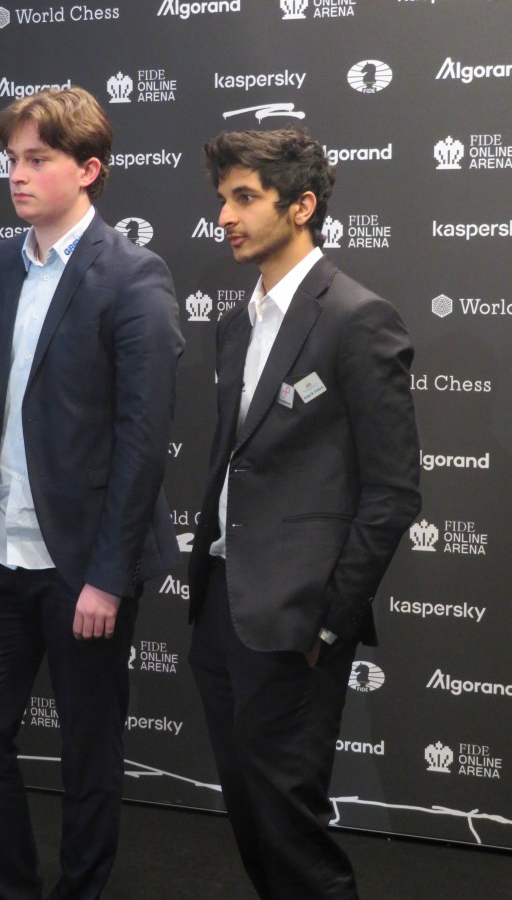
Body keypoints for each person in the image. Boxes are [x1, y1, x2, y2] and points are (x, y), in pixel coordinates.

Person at [0, 87, 183, 900]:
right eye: (13, 159)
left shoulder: (133, 275)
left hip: (85, 565)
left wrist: (107, 575)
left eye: (38, 159)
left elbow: (142, 440)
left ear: (88, 169)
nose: (17, 174)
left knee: (88, 753)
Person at [188, 128, 421, 899]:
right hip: (221, 607)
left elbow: (392, 493)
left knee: (292, 835)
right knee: (253, 823)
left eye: (243, 198)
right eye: (222, 198)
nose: (224, 215)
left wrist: (329, 623)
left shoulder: (357, 318)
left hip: (295, 622)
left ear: (301, 205)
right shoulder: (235, 323)